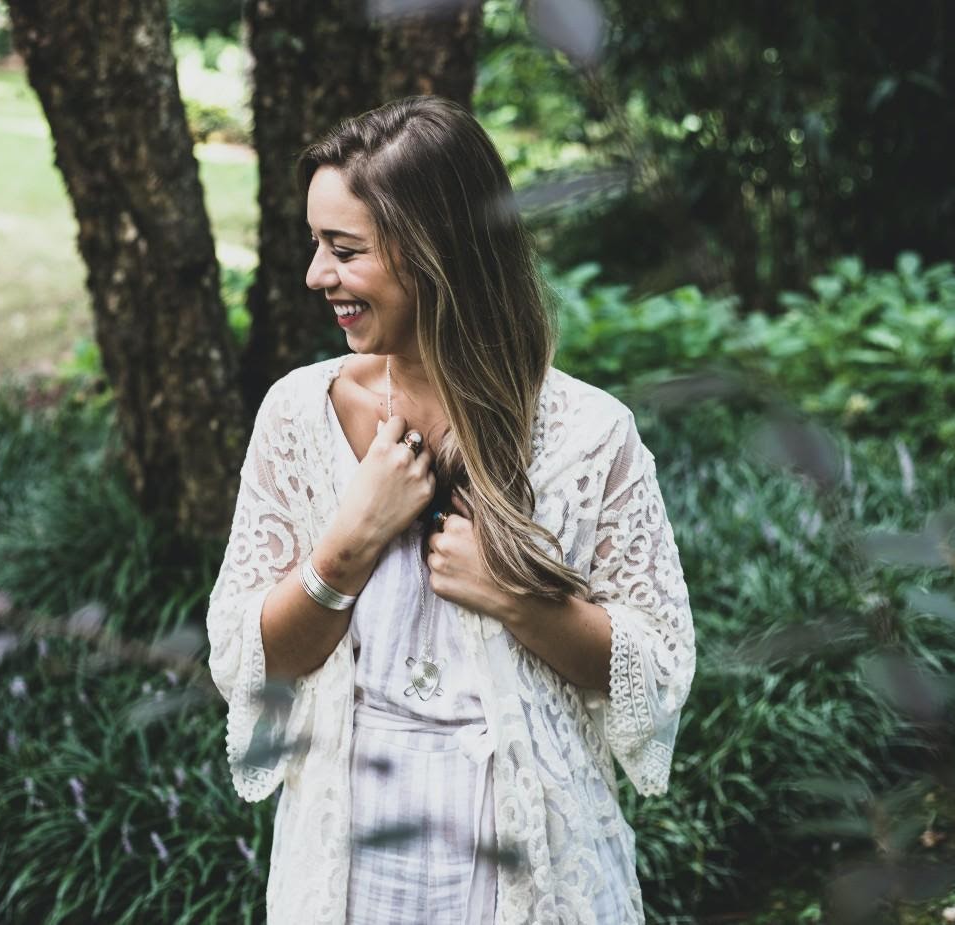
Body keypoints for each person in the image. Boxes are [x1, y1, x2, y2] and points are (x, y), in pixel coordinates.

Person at [205, 95, 696, 925]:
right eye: (316, 244)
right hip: (352, 860)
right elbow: (249, 661)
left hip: (533, 861)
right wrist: (347, 547)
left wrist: (520, 600)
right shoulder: (298, 416)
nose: (315, 274)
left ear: (436, 255)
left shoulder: (589, 436)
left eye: (344, 249)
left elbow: (657, 675)